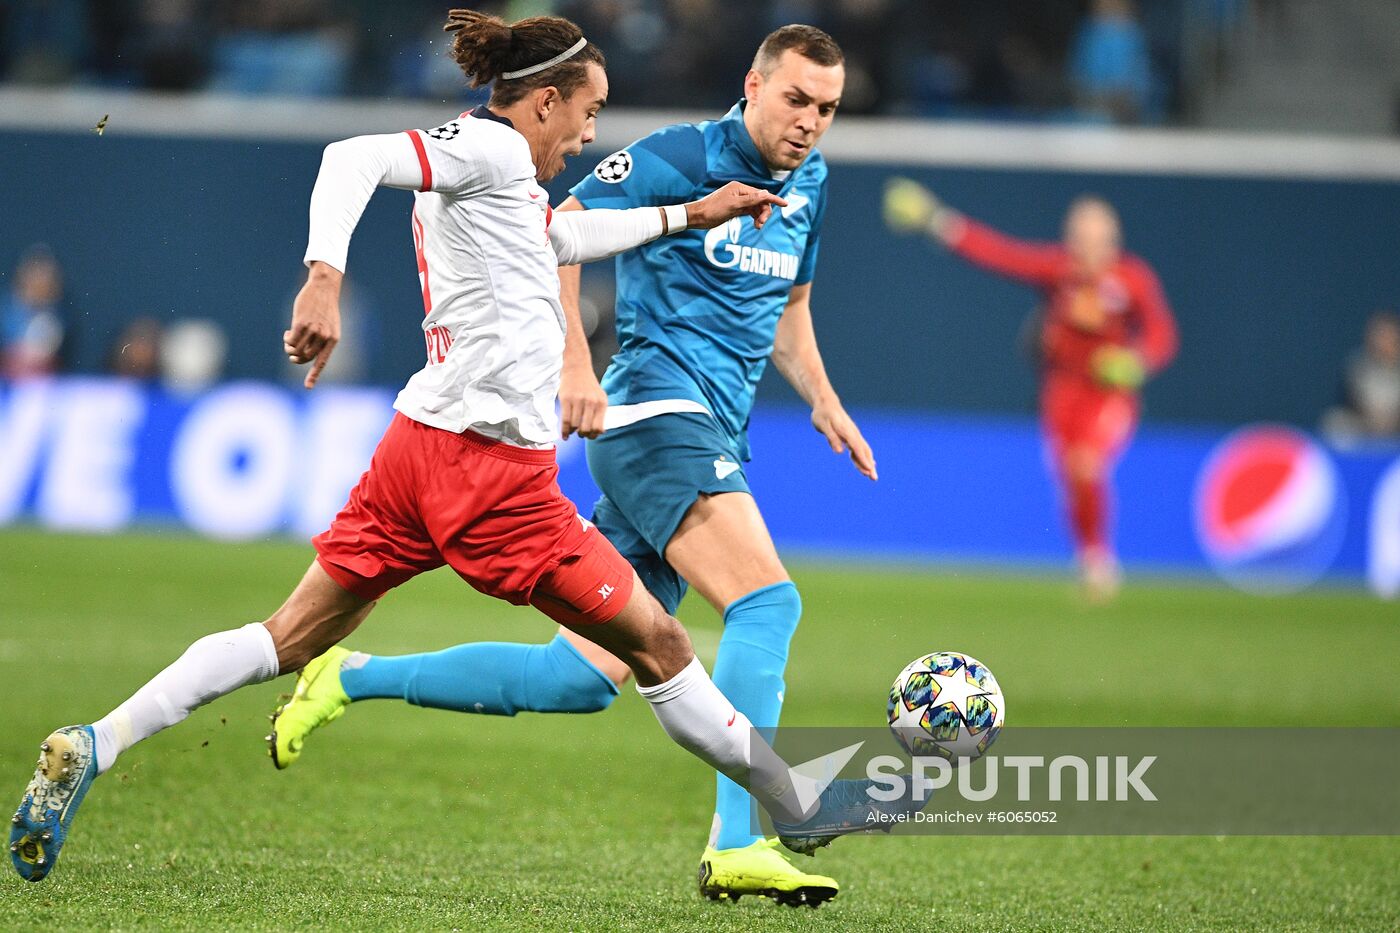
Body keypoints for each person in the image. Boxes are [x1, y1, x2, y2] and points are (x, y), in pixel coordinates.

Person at [9, 10, 893, 885]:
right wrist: (324, 278)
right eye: (587, 113)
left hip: (414, 450)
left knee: (285, 637)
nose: (589, 136)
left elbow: (562, 237)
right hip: (494, 476)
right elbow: (348, 157)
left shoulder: (504, 175)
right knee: (661, 645)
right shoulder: (493, 150)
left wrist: (689, 214)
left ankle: (100, 739)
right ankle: (788, 802)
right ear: (544, 102)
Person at [266, 24, 870, 908]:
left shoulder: (809, 184)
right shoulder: (681, 155)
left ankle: (349, 676)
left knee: (578, 679)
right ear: (753, 84)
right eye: (796, 100)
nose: (810, 121)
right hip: (655, 411)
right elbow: (561, 232)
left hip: (710, 429)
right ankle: (741, 839)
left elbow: (792, 307)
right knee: (766, 601)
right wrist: (575, 363)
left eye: (827, 108)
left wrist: (823, 397)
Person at [883, 179, 1177, 601]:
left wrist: (1136, 361)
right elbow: (1000, 254)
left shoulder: (1132, 279)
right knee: (1070, 475)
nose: (1088, 246)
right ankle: (1087, 554)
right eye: (1080, 236)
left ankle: (1098, 562)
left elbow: (1162, 333)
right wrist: (937, 221)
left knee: (1087, 463)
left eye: (1097, 238)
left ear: (1113, 240)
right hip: (1061, 390)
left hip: (1107, 394)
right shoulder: (1060, 270)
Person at [1322, 310, 1400, 443]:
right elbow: (1355, 403)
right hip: (1366, 427)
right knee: (1335, 420)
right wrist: (1375, 421)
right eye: (1379, 335)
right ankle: (1351, 462)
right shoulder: (1357, 365)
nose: (1383, 341)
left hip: (1396, 428)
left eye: (1388, 335)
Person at [1, 245, 68, 379]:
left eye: (45, 277)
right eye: (35, 274)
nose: (40, 282)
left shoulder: (59, 318)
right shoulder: (5, 311)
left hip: (42, 387)